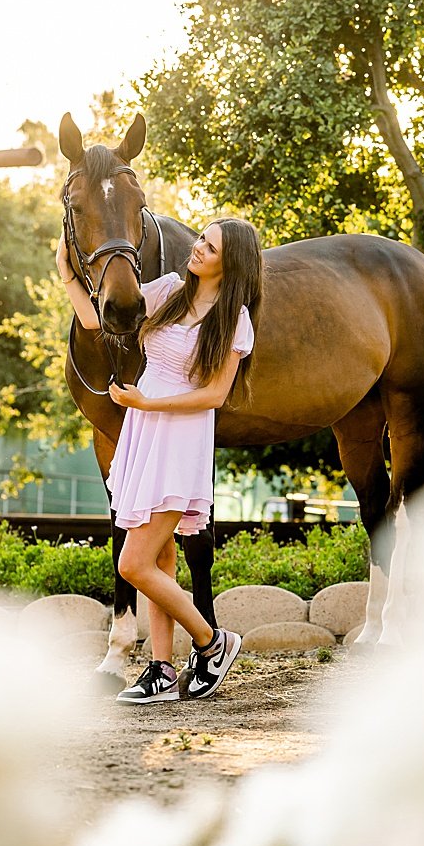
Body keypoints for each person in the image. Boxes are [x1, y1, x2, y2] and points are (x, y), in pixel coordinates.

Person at [59, 216, 263, 704]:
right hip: (144, 434)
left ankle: (214, 641)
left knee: (133, 563)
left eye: (209, 248)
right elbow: (97, 320)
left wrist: (145, 404)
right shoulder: (170, 289)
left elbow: (214, 396)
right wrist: (67, 274)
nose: (196, 249)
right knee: (160, 556)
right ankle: (161, 671)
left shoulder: (234, 320)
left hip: (178, 439)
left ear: (228, 263)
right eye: (200, 239)